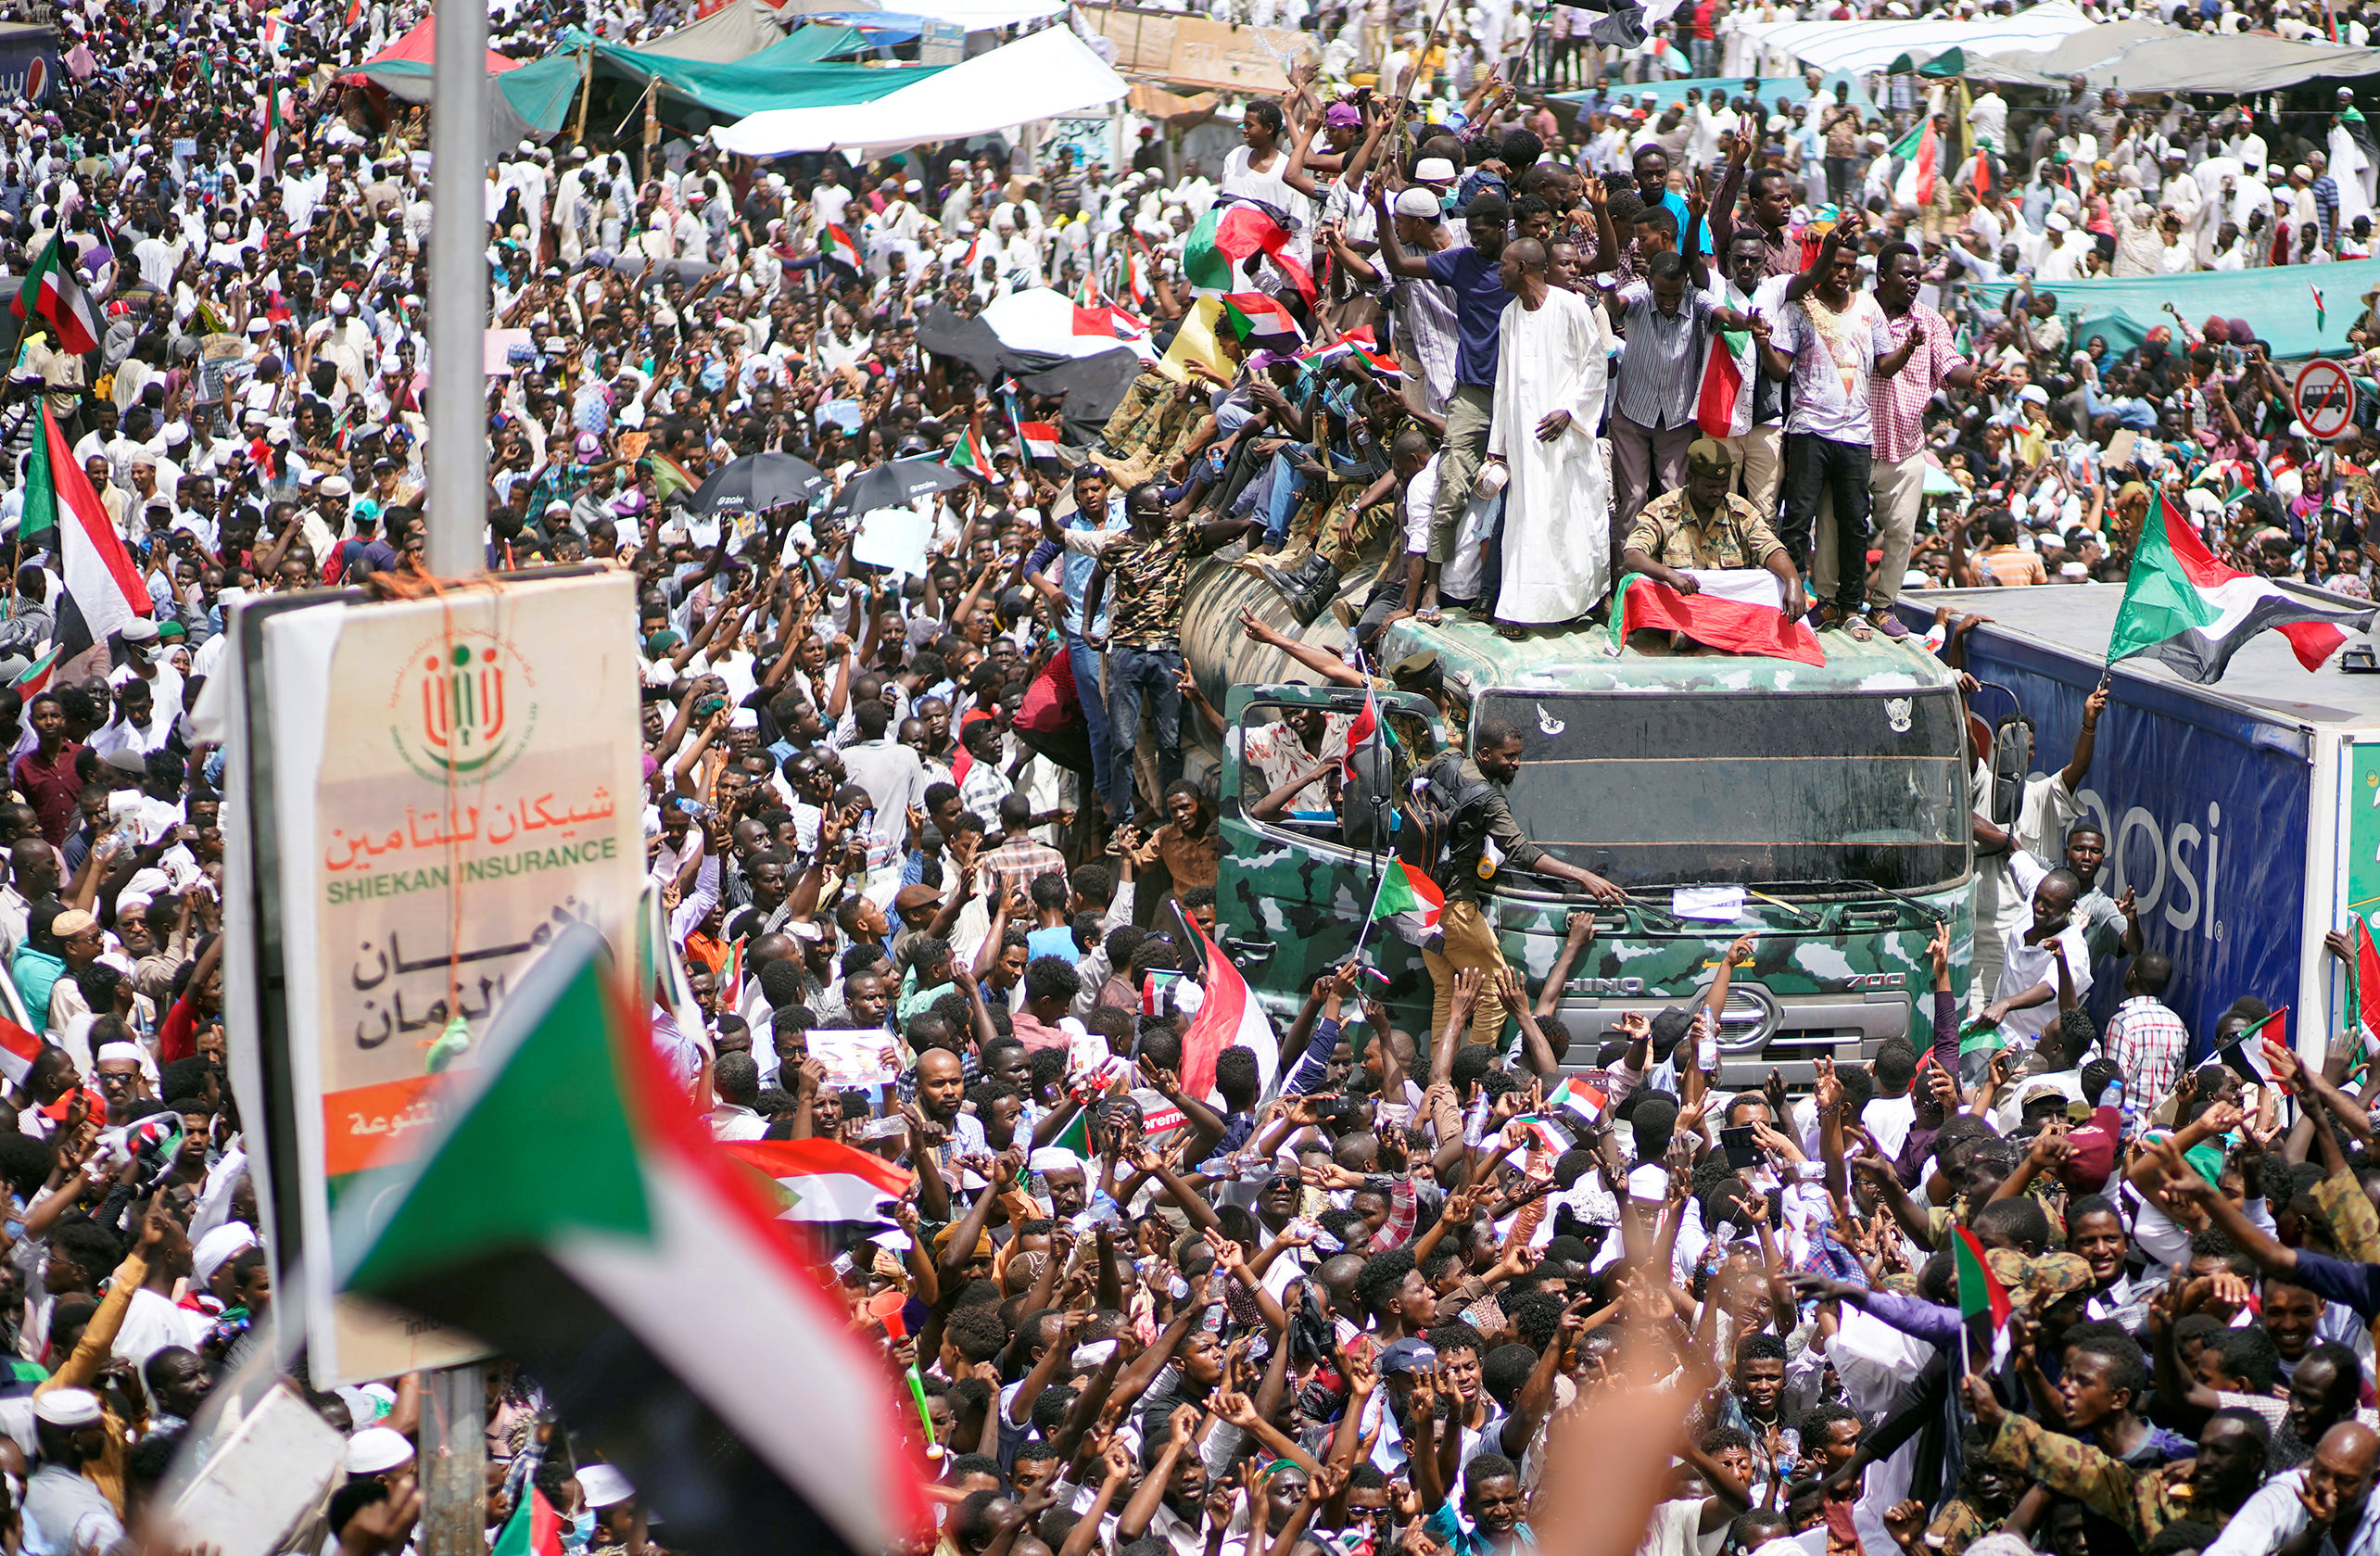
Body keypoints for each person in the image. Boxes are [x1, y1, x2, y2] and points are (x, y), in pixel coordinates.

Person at [1479, 238, 1611, 633]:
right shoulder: (1509, 316)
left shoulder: (1571, 306)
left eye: (1503, 265)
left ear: (1522, 268)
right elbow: (1503, 384)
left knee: (1573, 517)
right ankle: (1520, 607)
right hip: (1523, 440)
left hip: (1567, 438)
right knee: (1525, 519)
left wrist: (1569, 411)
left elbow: (1595, 365)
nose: (1498, 271)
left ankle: (1582, 600)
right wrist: (1497, 449)